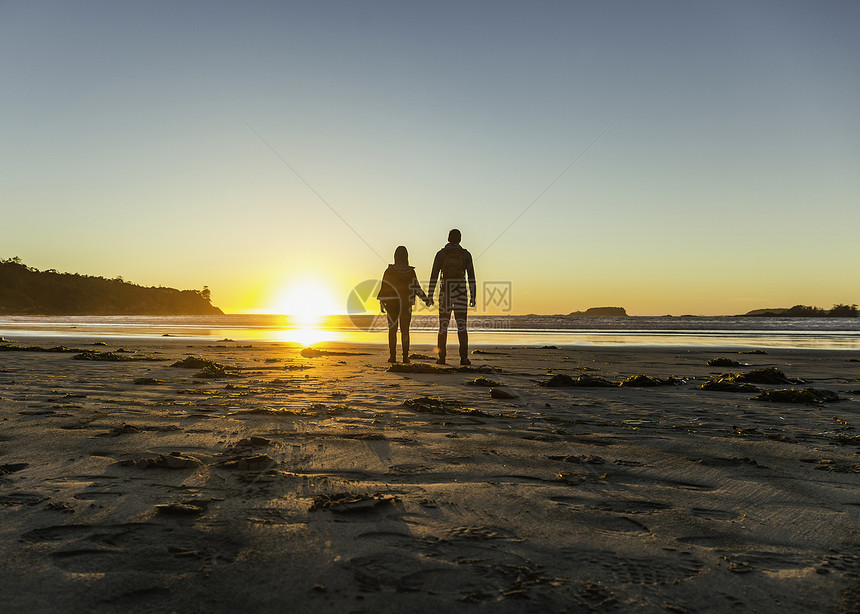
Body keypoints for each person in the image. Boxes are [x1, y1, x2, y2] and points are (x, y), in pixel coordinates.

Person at [426, 229, 476, 365]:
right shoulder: (466, 255)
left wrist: (430, 295)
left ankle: (441, 358)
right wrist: (473, 296)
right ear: (460, 239)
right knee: (462, 326)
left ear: (448, 238)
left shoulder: (441, 254)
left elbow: (434, 275)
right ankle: (464, 358)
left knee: (443, 326)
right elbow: (471, 276)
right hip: (460, 293)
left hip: (445, 293)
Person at [377, 246, 429, 363]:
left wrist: (382, 302)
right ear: (406, 257)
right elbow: (417, 288)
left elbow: (384, 287)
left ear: (395, 256)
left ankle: (393, 356)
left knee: (392, 330)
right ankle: (405, 357)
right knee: (405, 330)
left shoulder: (389, 270)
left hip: (391, 304)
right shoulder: (410, 272)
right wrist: (426, 299)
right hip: (406, 304)